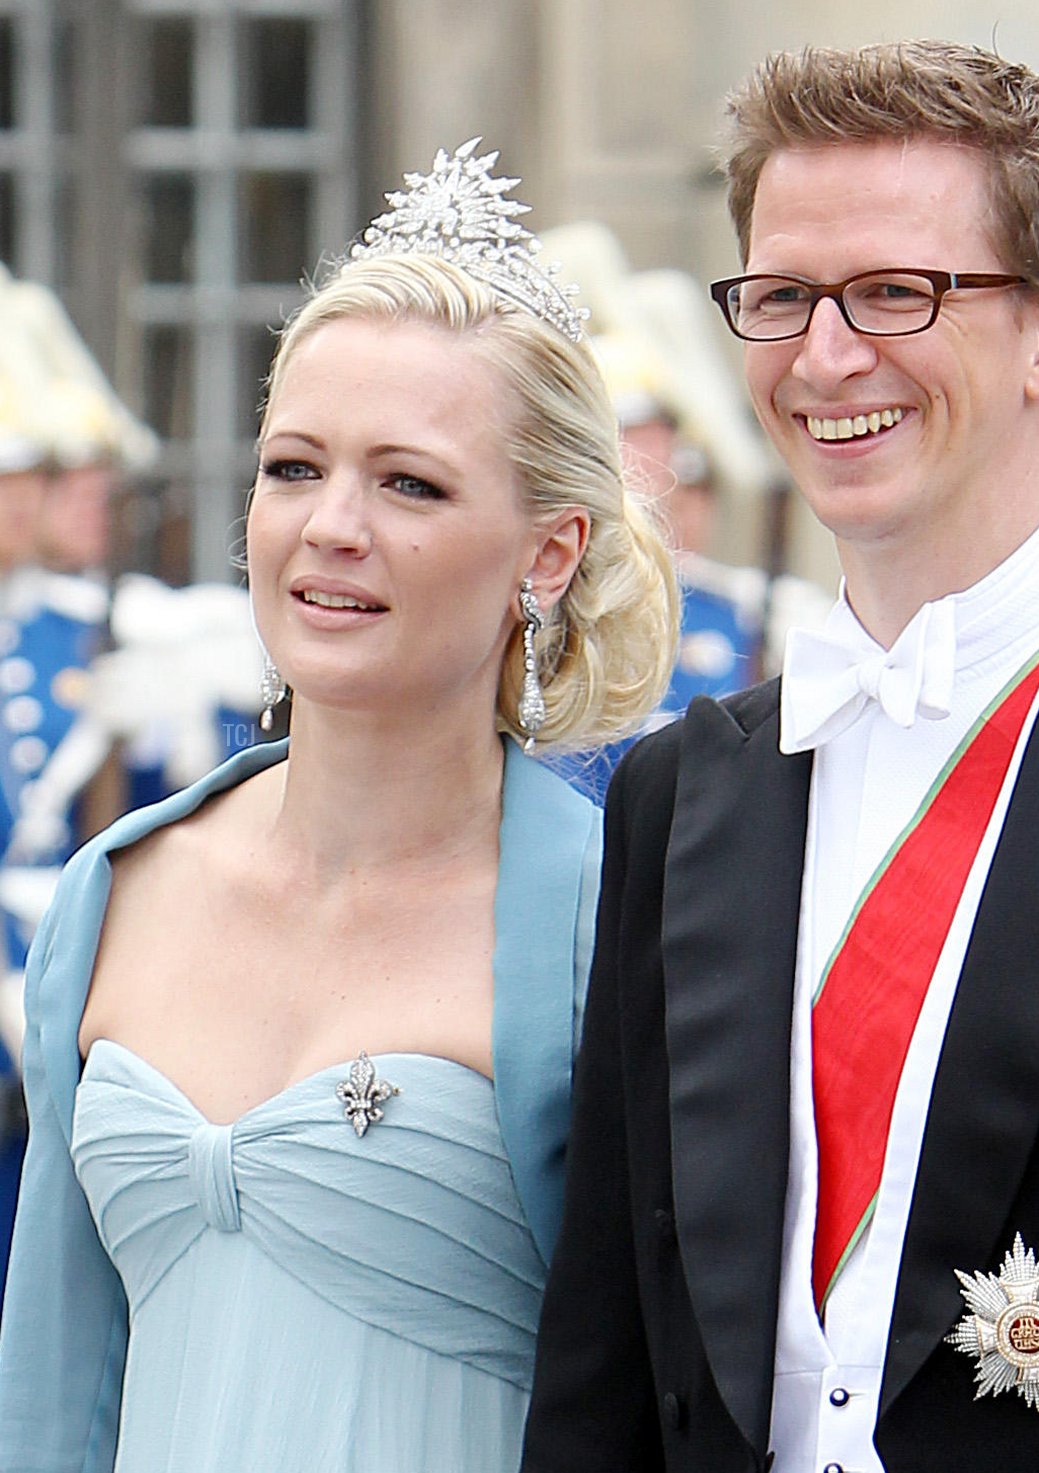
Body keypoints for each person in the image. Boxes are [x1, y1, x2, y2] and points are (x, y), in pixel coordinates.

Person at [521, 41, 1039, 1473]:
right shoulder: (675, 795)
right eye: (781, 297)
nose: (825, 357)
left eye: (898, 292)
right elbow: (606, 1359)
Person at [0, 137, 677, 1473]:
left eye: (409, 482)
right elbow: (52, 1398)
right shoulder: (116, 890)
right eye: (295, 467)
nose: (332, 527)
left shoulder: (618, 919)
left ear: (548, 552)